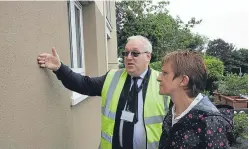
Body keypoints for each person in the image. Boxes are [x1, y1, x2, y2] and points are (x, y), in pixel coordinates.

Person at [37, 35, 170, 149]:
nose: (129, 57)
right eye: (126, 53)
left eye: (135, 53)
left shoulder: (162, 81)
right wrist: (59, 68)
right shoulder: (112, 78)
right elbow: (84, 84)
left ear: (148, 56)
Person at [157, 50, 234, 149]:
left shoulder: (211, 123)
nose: (158, 78)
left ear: (183, 81)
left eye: (164, 73)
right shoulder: (172, 114)